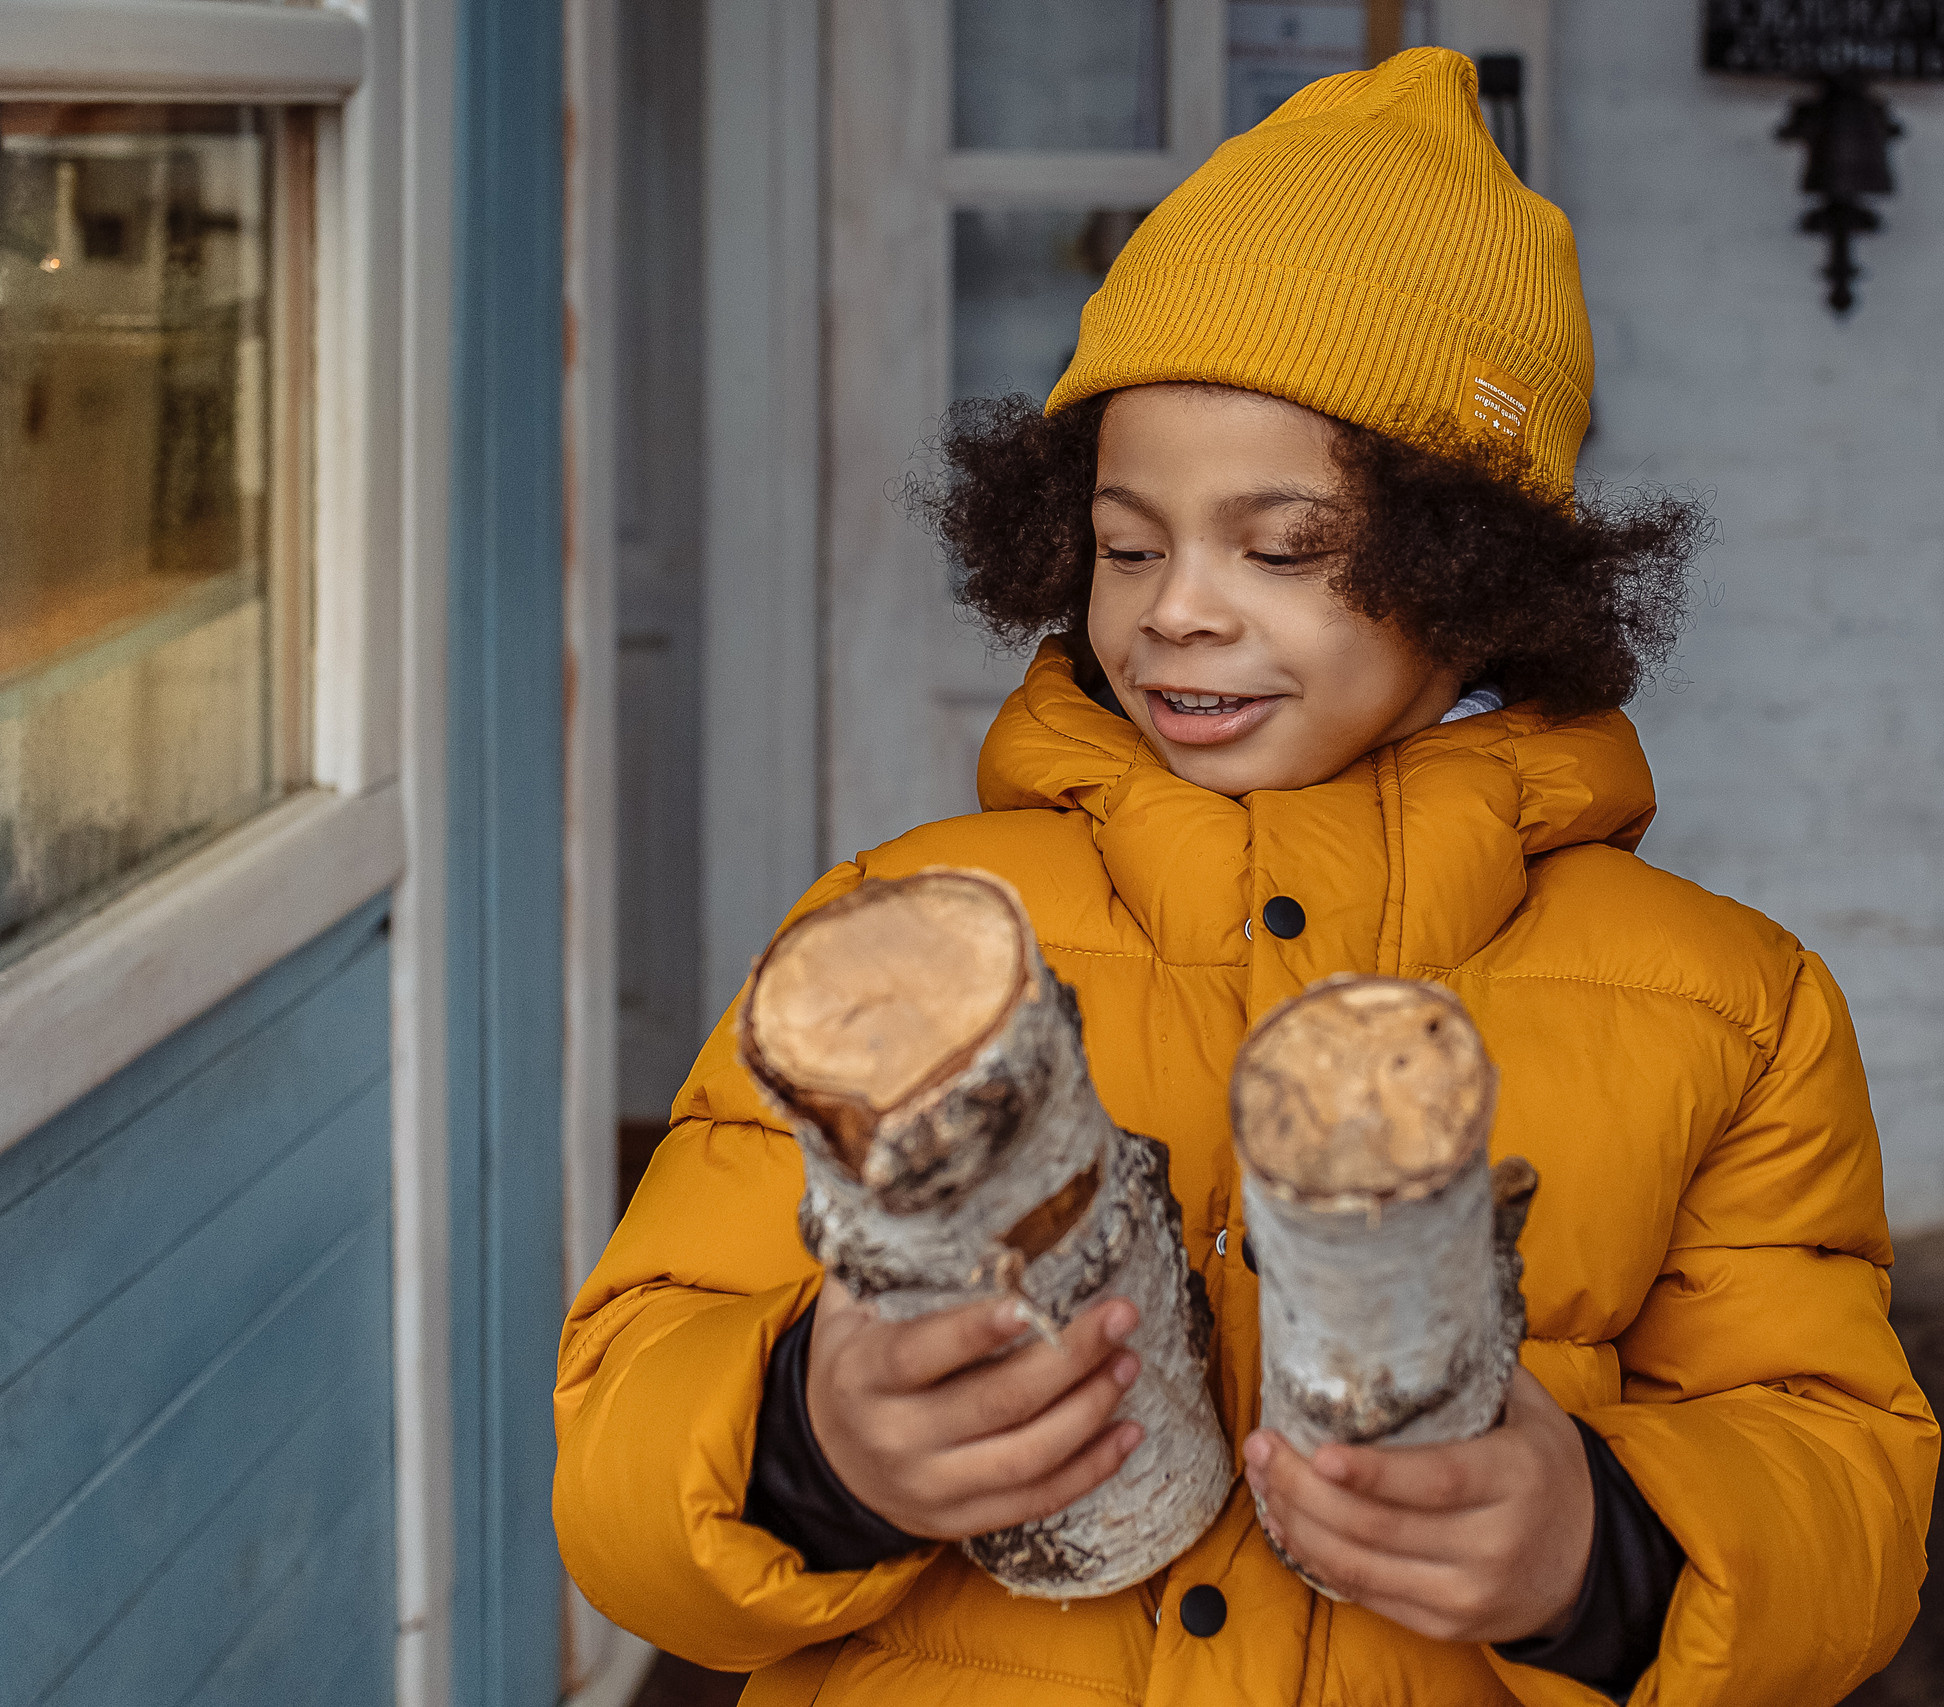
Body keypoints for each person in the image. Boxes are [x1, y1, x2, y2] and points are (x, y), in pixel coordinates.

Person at [552, 47, 1937, 1707]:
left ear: (1471, 564)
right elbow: (623, 1441)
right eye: (1128, 546)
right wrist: (809, 1446)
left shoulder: (1732, 1009)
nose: (1178, 610)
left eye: (1280, 549)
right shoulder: (908, 947)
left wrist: (1605, 1553)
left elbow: (1841, 1488)